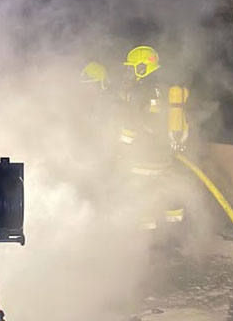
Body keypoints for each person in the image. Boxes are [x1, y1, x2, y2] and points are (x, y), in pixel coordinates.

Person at [81, 45, 189, 230]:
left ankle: (146, 240)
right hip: (165, 157)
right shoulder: (167, 89)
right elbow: (183, 123)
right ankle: (174, 234)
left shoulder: (141, 90)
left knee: (142, 199)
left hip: (143, 159)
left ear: (141, 67)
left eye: (131, 67)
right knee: (167, 194)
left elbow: (132, 124)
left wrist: (120, 147)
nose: (129, 72)